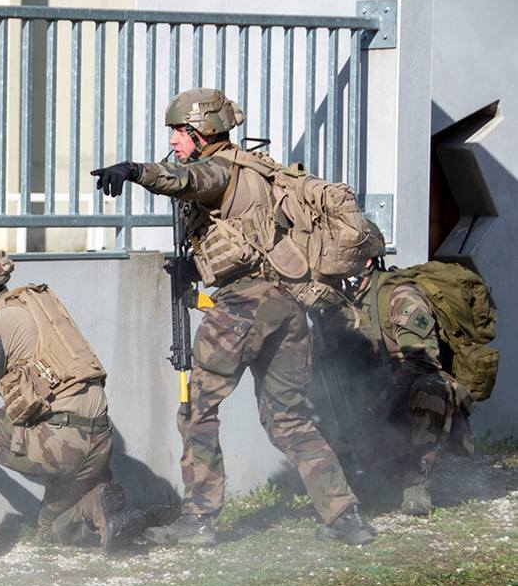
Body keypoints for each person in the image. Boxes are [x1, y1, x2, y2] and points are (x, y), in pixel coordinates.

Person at [92, 87, 375, 547]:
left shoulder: (219, 169)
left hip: (245, 305)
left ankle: (199, 520)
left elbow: (185, 181)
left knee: (198, 410)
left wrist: (135, 171)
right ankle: (345, 517)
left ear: (202, 131)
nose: (174, 140)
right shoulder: (255, 169)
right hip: (286, 306)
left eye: (179, 132)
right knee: (289, 419)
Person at [0, 244, 129, 556]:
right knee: (50, 528)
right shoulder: (35, 303)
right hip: (99, 443)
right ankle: (95, 505)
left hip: (59, 447)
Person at [327, 229, 490, 516]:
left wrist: (380, 405)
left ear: (367, 262)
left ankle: (417, 482)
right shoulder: (346, 301)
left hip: (409, 389)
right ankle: (359, 473)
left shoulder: (401, 297)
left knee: (432, 387)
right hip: (376, 393)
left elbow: (422, 362)